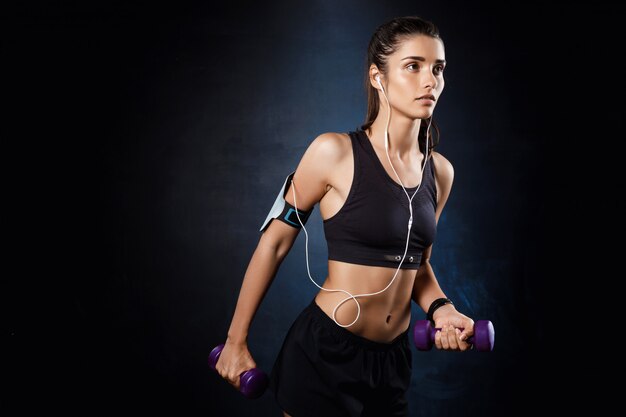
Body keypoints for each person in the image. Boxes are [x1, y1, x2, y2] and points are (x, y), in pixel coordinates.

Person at [214, 15, 475, 417]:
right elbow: (274, 241)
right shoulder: (332, 152)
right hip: (326, 353)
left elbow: (416, 263)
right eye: (413, 66)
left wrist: (443, 309)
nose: (430, 81)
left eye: (438, 69)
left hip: (392, 362)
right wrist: (235, 341)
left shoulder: (441, 172)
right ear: (377, 77)